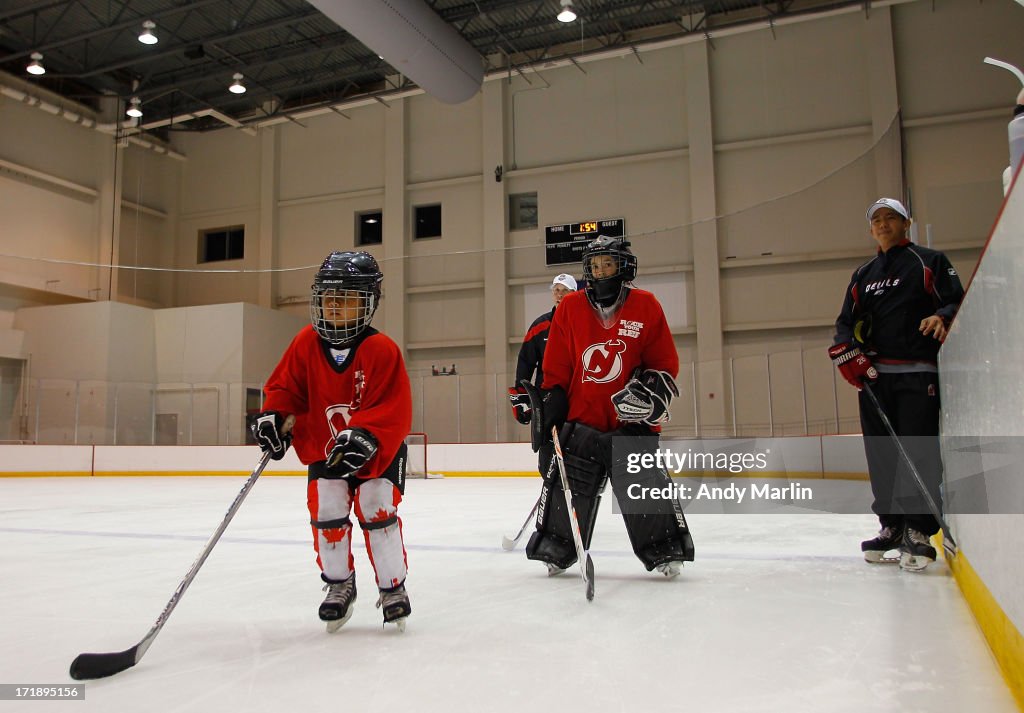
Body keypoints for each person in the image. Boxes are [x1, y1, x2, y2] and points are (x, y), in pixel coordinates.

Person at [251, 251, 413, 631]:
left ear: (368, 302)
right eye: (328, 297)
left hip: (376, 451)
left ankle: (393, 588)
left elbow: (393, 408)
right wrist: (274, 416)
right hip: (327, 450)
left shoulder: (381, 349)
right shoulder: (305, 342)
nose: (335, 306)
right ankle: (339, 585)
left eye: (347, 298)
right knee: (326, 510)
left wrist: (366, 434)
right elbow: (285, 388)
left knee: (376, 505)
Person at [524, 236, 694, 578]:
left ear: (624, 266)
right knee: (568, 487)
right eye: (595, 265)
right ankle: (557, 546)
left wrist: (650, 389)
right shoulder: (570, 307)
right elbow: (556, 366)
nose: (601, 271)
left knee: (643, 484)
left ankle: (664, 549)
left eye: (609, 264)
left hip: (630, 423)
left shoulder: (646, 305)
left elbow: (663, 361)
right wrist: (550, 408)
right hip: (582, 419)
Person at [830, 198, 964, 572]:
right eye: (877, 219)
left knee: (918, 452)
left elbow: (955, 301)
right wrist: (848, 352)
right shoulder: (864, 274)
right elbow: (845, 322)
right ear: (871, 228)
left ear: (906, 224)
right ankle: (891, 526)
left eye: (891, 218)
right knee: (882, 455)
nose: (883, 224)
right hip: (874, 380)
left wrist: (942, 315)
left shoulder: (929, 262)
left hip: (917, 373)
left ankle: (919, 529)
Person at [508, 273, 577, 478]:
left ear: (575, 293)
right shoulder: (540, 326)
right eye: (556, 290)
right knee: (548, 449)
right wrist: (521, 396)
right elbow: (526, 361)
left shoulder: (583, 323)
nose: (559, 294)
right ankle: (550, 482)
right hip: (548, 399)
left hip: (578, 397)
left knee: (577, 444)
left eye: (565, 290)